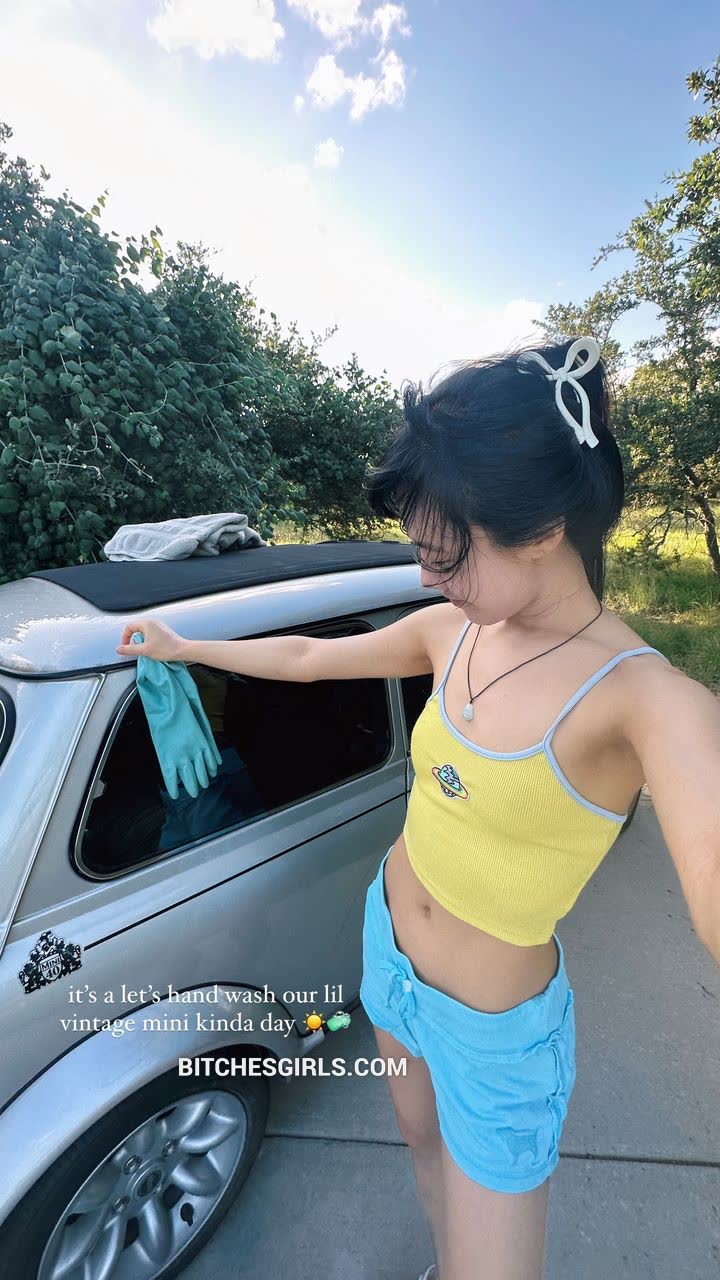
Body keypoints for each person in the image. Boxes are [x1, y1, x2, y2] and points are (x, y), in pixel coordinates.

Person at [115, 335, 717, 1280]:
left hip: (492, 1032)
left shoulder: (649, 699)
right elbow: (310, 659)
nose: (428, 577)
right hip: (388, 953)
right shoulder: (451, 630)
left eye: (445, 555)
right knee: (422, 1149)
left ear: (543, 529)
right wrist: (184, 646)